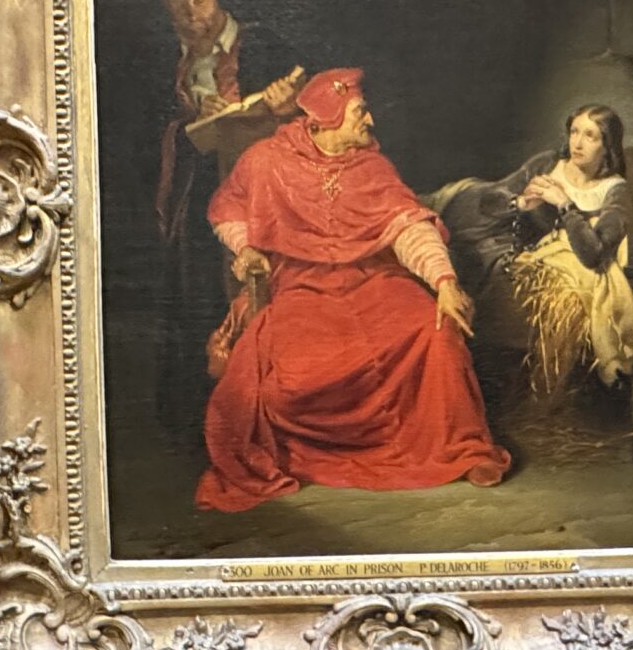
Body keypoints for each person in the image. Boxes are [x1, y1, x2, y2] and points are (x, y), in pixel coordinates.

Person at [196, 68, 510, 512]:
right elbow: (228, 209)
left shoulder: (372, 166)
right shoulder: (267, 161)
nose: (370, 120)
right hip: (302, 284)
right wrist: (246, 248)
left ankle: (458, 448)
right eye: (360, 111)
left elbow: (409, 226)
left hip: (374, 279)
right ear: (328, 115)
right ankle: (321, 455)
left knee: (434, 330)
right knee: (291, 375)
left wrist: (444, 282)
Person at [147, 0, 302, 444]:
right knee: (203, 294)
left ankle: (278, 419)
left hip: (269, 190)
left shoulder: (265, 43)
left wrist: (285, 104)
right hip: (202, 195)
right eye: (180, 9)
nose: (192, 14)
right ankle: (215, 421)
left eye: (198, 0)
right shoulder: (171, 65)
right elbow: (155, 128)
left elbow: (311, 105)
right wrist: (191, 119)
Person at [436, 103, 633, 397]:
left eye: (590, 136)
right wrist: (521, 202)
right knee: (460, 230)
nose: (578, 143)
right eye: (574, 131)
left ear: (607, 146)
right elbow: (491, 200)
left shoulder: (614, 190)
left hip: (564, 267)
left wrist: (564, 204)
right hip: (516, 250)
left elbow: (592, 254)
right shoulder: (549, 164)